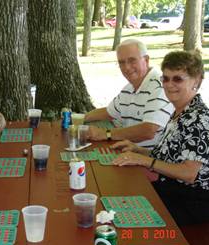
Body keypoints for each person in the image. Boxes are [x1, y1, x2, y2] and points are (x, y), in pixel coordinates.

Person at [112, 50, 209, 226]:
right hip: (173, 191)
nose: (169, 84)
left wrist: (143, 160)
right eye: (165, 78)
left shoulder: (199, 119)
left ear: (196, 81)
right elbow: (173, 156)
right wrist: (139, 150)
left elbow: (189, 173)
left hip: (191, 201)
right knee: (117, 195)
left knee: (121, 211)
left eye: (177, 79)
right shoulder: (182, 112)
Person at [85, 39, 174, 149]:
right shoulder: (130, 88)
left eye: (132, 60)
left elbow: (148, 130)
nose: (126, 67)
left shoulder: (160, 86)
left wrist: (106, 134)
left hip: (152, 161)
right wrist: (79, 118)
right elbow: (109, 112)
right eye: (121, 62)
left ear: (146, 60)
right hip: (130, 154)